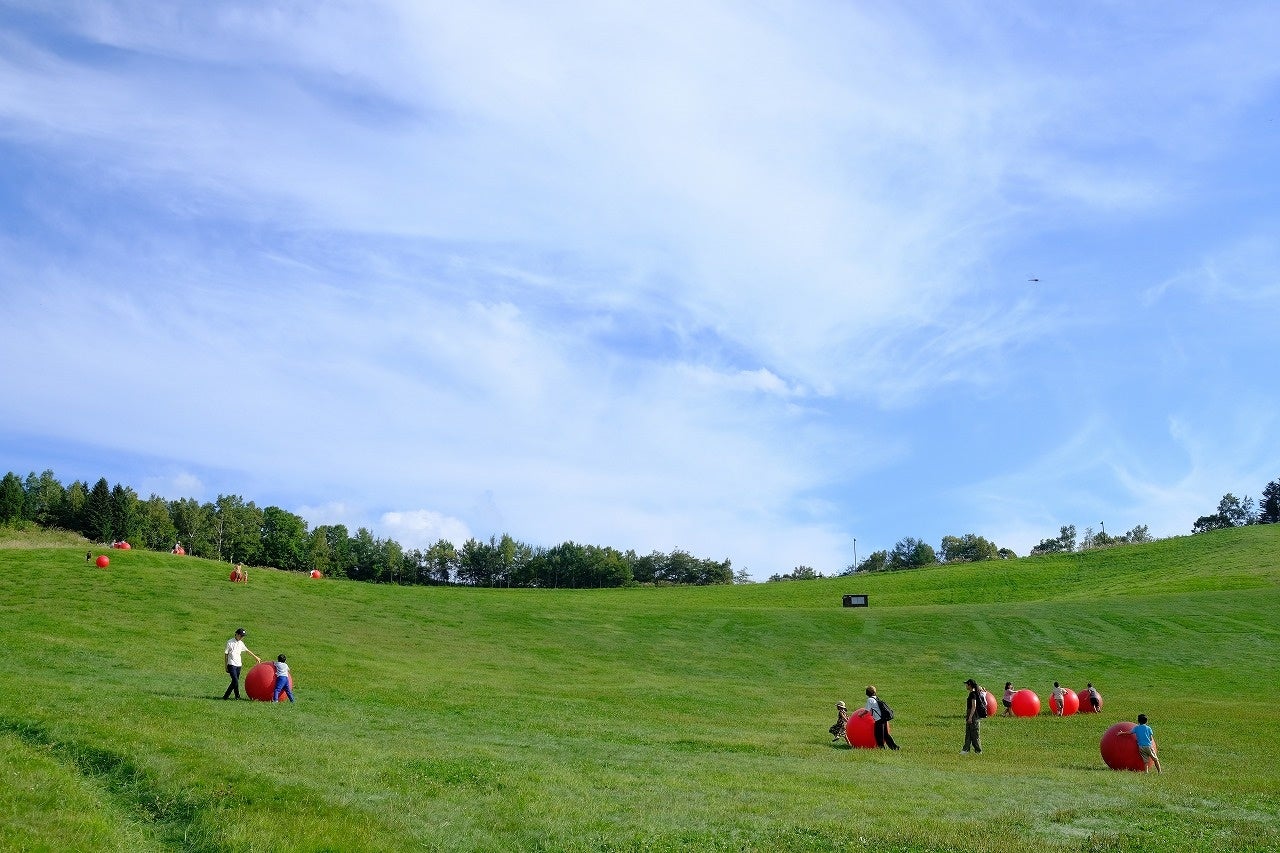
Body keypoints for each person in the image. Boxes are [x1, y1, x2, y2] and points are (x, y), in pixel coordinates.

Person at [222, 628, 260, 700]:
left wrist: (255, 657)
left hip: (239, 665)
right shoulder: (230, 642)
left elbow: (247, 651)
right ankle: (225, 696)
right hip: (231, 664)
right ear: (236, 634)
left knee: (235, 681)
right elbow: (226, 654)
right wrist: (226, 666)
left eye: (243, 636)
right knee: (235, 681)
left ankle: (237, 696)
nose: (242, 637)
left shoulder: (241, 643)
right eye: (241, 636)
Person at [866, 685, 900, 750]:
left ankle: (881, 748)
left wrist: (860, 715)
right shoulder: (876, 698)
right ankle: (895, 747)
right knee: (886, 735)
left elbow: (866, 711)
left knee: (878, 735)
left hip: (879, 720)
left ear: (868, 692)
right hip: (883, 719)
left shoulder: (870, 699)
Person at [962, 678, 983, 754]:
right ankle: (965, 750)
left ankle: (978, 750)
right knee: (968, 733)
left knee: (975, 734)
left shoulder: (973, 694)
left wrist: (970, 717)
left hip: (973, 716)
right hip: (970, 715)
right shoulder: (971, 693)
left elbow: (974, 707)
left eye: (967, 684)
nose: (966, 686)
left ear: (970, 685)